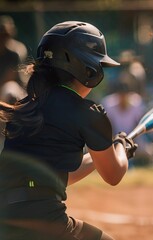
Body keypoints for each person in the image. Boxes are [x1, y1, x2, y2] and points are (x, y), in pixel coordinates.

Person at [0, 21, 138, 240]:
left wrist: (106, 152)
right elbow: (113, 175)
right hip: (46, 223)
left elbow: (59, 177)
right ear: (86, 70)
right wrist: (122, 147)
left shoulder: (26, 108)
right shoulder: (88, 113)